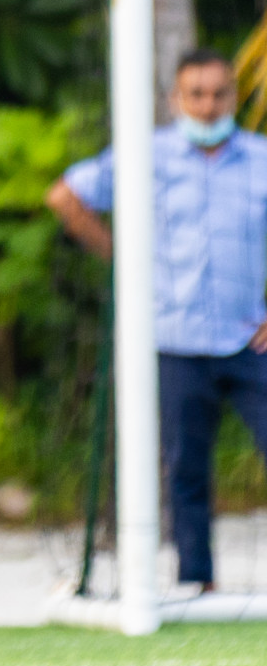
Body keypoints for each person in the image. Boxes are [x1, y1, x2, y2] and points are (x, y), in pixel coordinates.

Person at [46, 48, 267, 594]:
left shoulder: (261, 158)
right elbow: (66, 195)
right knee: (185, 467)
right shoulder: (147, 156)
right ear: (176, 99)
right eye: (196, 94)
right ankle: (197, 581)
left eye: (218, 93)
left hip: (249, 336)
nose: (208, 105)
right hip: (175, 338)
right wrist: (121, 259)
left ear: (232, 97)